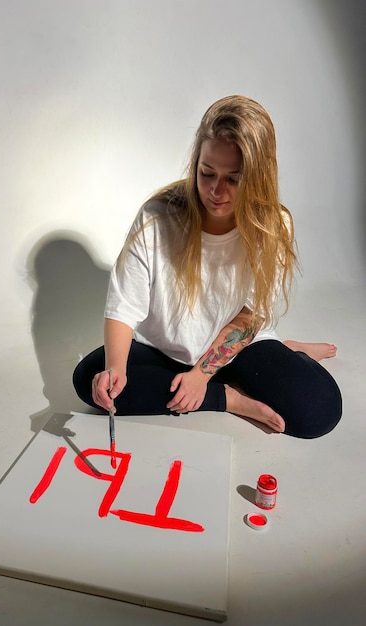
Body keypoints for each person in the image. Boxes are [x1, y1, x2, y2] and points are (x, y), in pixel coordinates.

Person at [73, 95, 342, 439]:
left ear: (257, 178)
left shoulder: (272, 227)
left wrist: (201, 375)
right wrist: (116, 369)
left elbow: (251, 314)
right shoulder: (156, 218)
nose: (216, 190)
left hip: (239, 346)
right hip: (166, 350)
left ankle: (286, 349)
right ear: (195, 163)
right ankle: (228, 396)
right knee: (89, 379)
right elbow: (124, 306)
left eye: (234, 179)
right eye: (207, 173)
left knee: (320, 412)